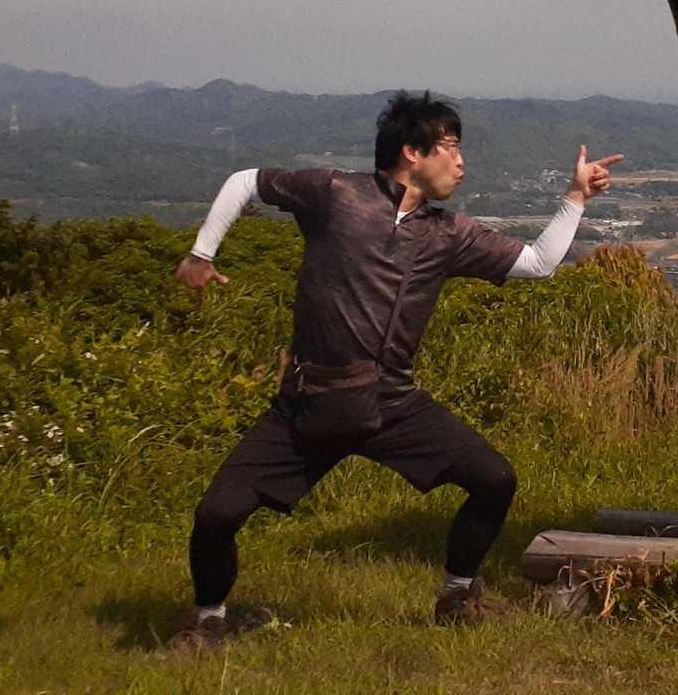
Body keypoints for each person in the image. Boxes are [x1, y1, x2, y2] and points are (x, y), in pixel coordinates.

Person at [170, 90, 621, 646]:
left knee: (494, 479)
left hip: (391, 401)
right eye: (451, 148)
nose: (461, 162)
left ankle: (458, 596)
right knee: (217, 514)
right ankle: (208, 620)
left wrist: (576, 196)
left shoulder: (448, 233)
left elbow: (539, 263)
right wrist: (202, 254)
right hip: (312, 398)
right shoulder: (336, 194)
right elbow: (245, 181)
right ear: (413, 151)